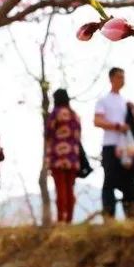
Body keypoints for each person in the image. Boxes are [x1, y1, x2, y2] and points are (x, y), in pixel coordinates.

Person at [94, 67, 134, 220]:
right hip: (110, 145)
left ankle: (131, 215)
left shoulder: (125, 102)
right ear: (111, 78)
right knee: (109, 181)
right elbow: (97, 120)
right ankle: (109, 214)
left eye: (123, 77)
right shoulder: (103, 100)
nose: (122, 80)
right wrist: (117, 126)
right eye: (119, 77)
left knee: (129, 182)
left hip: (126, 147)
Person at [45, 88, 83, 224]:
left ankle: (61, 218)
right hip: (73, 157)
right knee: (69, 189)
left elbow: (48, 134)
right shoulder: (75, 115)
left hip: (58, 156)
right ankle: (69, 219)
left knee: (60, 188)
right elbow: (79, 137)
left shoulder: (55, 114)